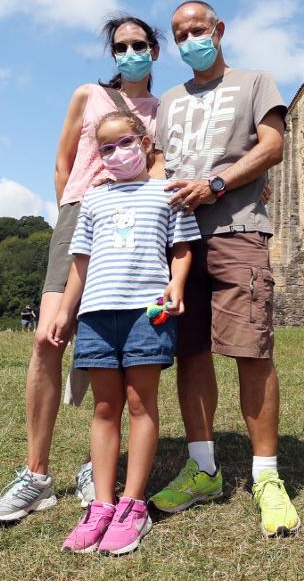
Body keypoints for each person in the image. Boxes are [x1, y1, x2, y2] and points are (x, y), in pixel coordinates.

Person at [0, 15, 164, 528]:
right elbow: (62, 162)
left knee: (112, 343)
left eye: (139, 44)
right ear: (113, 54)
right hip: (83, 215)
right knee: (47, 339)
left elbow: (159, 172)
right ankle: (36, 475)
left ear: (154, 51)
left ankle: (93, 468)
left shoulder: (162, 110)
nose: (130, 52)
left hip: (132, 221)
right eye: (121, 46)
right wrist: (73, 215)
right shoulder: (87, 95)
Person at [148, 0, 300, 536]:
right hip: (180, 240)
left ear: (218, 30)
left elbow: (274, 145)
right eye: (180, 33)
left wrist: (215, 183)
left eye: (198, 29)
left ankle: (266, 477)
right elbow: (159, 162)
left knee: (251, 349)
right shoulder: (168, 100)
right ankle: (204, 468)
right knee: (189, 351)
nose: (191, 38)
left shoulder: (256, 81)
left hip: (237, 229)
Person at [49, 110, 201, 556]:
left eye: (125, 143)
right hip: (97, 314)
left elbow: (182, 248)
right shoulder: (93, 201)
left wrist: (177, 283)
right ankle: (102, 504)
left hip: (145, 312)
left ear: (144, 141)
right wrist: (65, 309)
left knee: (140, 402)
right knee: (104, 406)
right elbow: (81, 261)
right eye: (107, 148)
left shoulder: (166, 194)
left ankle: (133, 505)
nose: (117, 154)